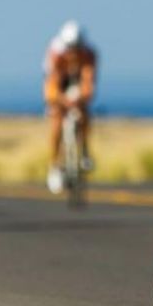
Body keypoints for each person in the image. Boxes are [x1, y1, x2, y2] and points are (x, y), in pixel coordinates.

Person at [42, 20, 97, 194]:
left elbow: (89, 82)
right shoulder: (55, 53)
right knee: (57, 118)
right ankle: (55, 164)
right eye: (70, 49)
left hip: (77, 82)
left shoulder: (89, 53)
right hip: (60, 82)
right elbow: (52, 86)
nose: (73, 53)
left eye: (76, 48)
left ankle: (85, 150)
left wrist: (82, 97)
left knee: (84, 111)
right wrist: (61, 101)